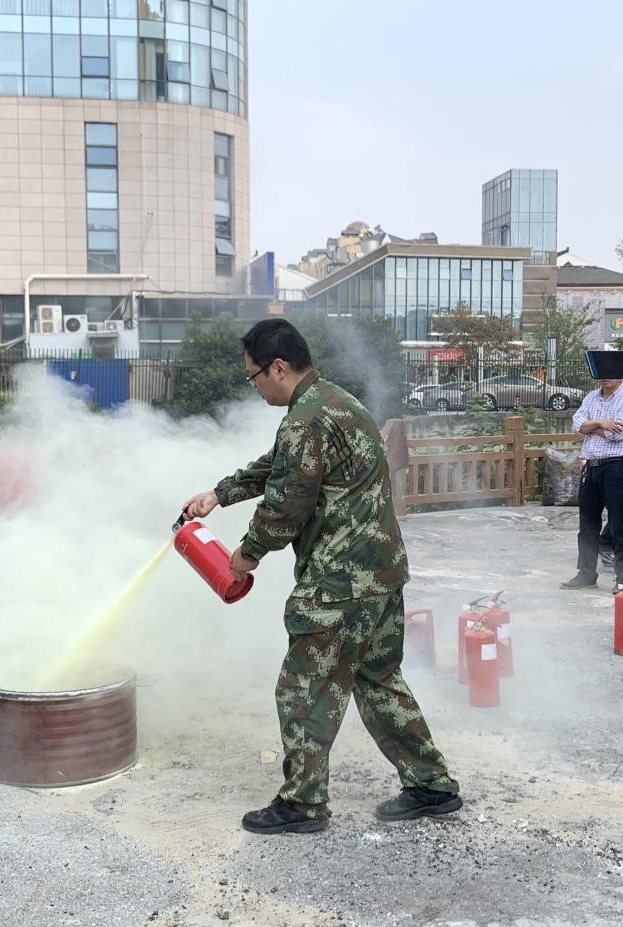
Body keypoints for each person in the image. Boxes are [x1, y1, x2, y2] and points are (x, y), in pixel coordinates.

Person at [181, 319, 461, 835]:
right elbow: (280, 466)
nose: (255, 385)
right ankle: (432, 785)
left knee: (303, 688)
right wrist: (219, 494)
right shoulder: (334, 402)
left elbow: (287, 503)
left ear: (278, 367)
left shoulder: (304, 420)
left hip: (340, 582)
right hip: (380, 573)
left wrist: (248, 553)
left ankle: (303, 804)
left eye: (254, 377)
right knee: (378, 680)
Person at [560, 376, 623, 591]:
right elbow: (577, 424)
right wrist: (602, 423)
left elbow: (620, 433)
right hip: (591, 465)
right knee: (587, 524)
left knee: (618, 523)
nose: (604, 377)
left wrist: (590, 427)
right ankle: (586, 573)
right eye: (600, 372)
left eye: (609, 372)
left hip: (617, 466)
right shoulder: (591, 397)